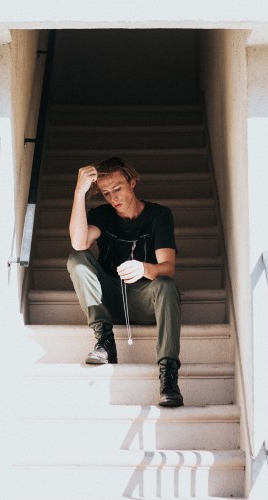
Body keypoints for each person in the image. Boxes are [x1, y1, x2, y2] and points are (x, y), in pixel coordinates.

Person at [66, 156, 183, 407]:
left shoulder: (159, 216)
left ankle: (169, 375)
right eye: (106, 193)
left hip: (143, 299)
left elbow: (168, 269)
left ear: (133, 182)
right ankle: (105, 341)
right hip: (109, 298)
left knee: (166, 285)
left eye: (117, 189)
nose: (113, 197)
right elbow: (79, 243)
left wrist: (143, 268)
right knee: (77, 259)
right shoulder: (103, 215)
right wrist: (79, 192)